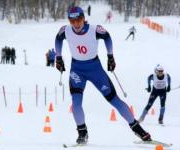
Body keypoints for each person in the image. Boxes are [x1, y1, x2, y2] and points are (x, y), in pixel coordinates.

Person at [55, 6, 151, 145]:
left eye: (78, 20)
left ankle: (137, 129)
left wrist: (110, 56)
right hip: (77, 70)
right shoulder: (65, 30)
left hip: (95, 70)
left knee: (114, 100)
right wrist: (58, 57)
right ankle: (82, 132)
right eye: (72, 21)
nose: (76, 24)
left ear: (83, 18)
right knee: (76, 103)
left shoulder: (95, 29)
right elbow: (58, 40)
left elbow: (107, 37)